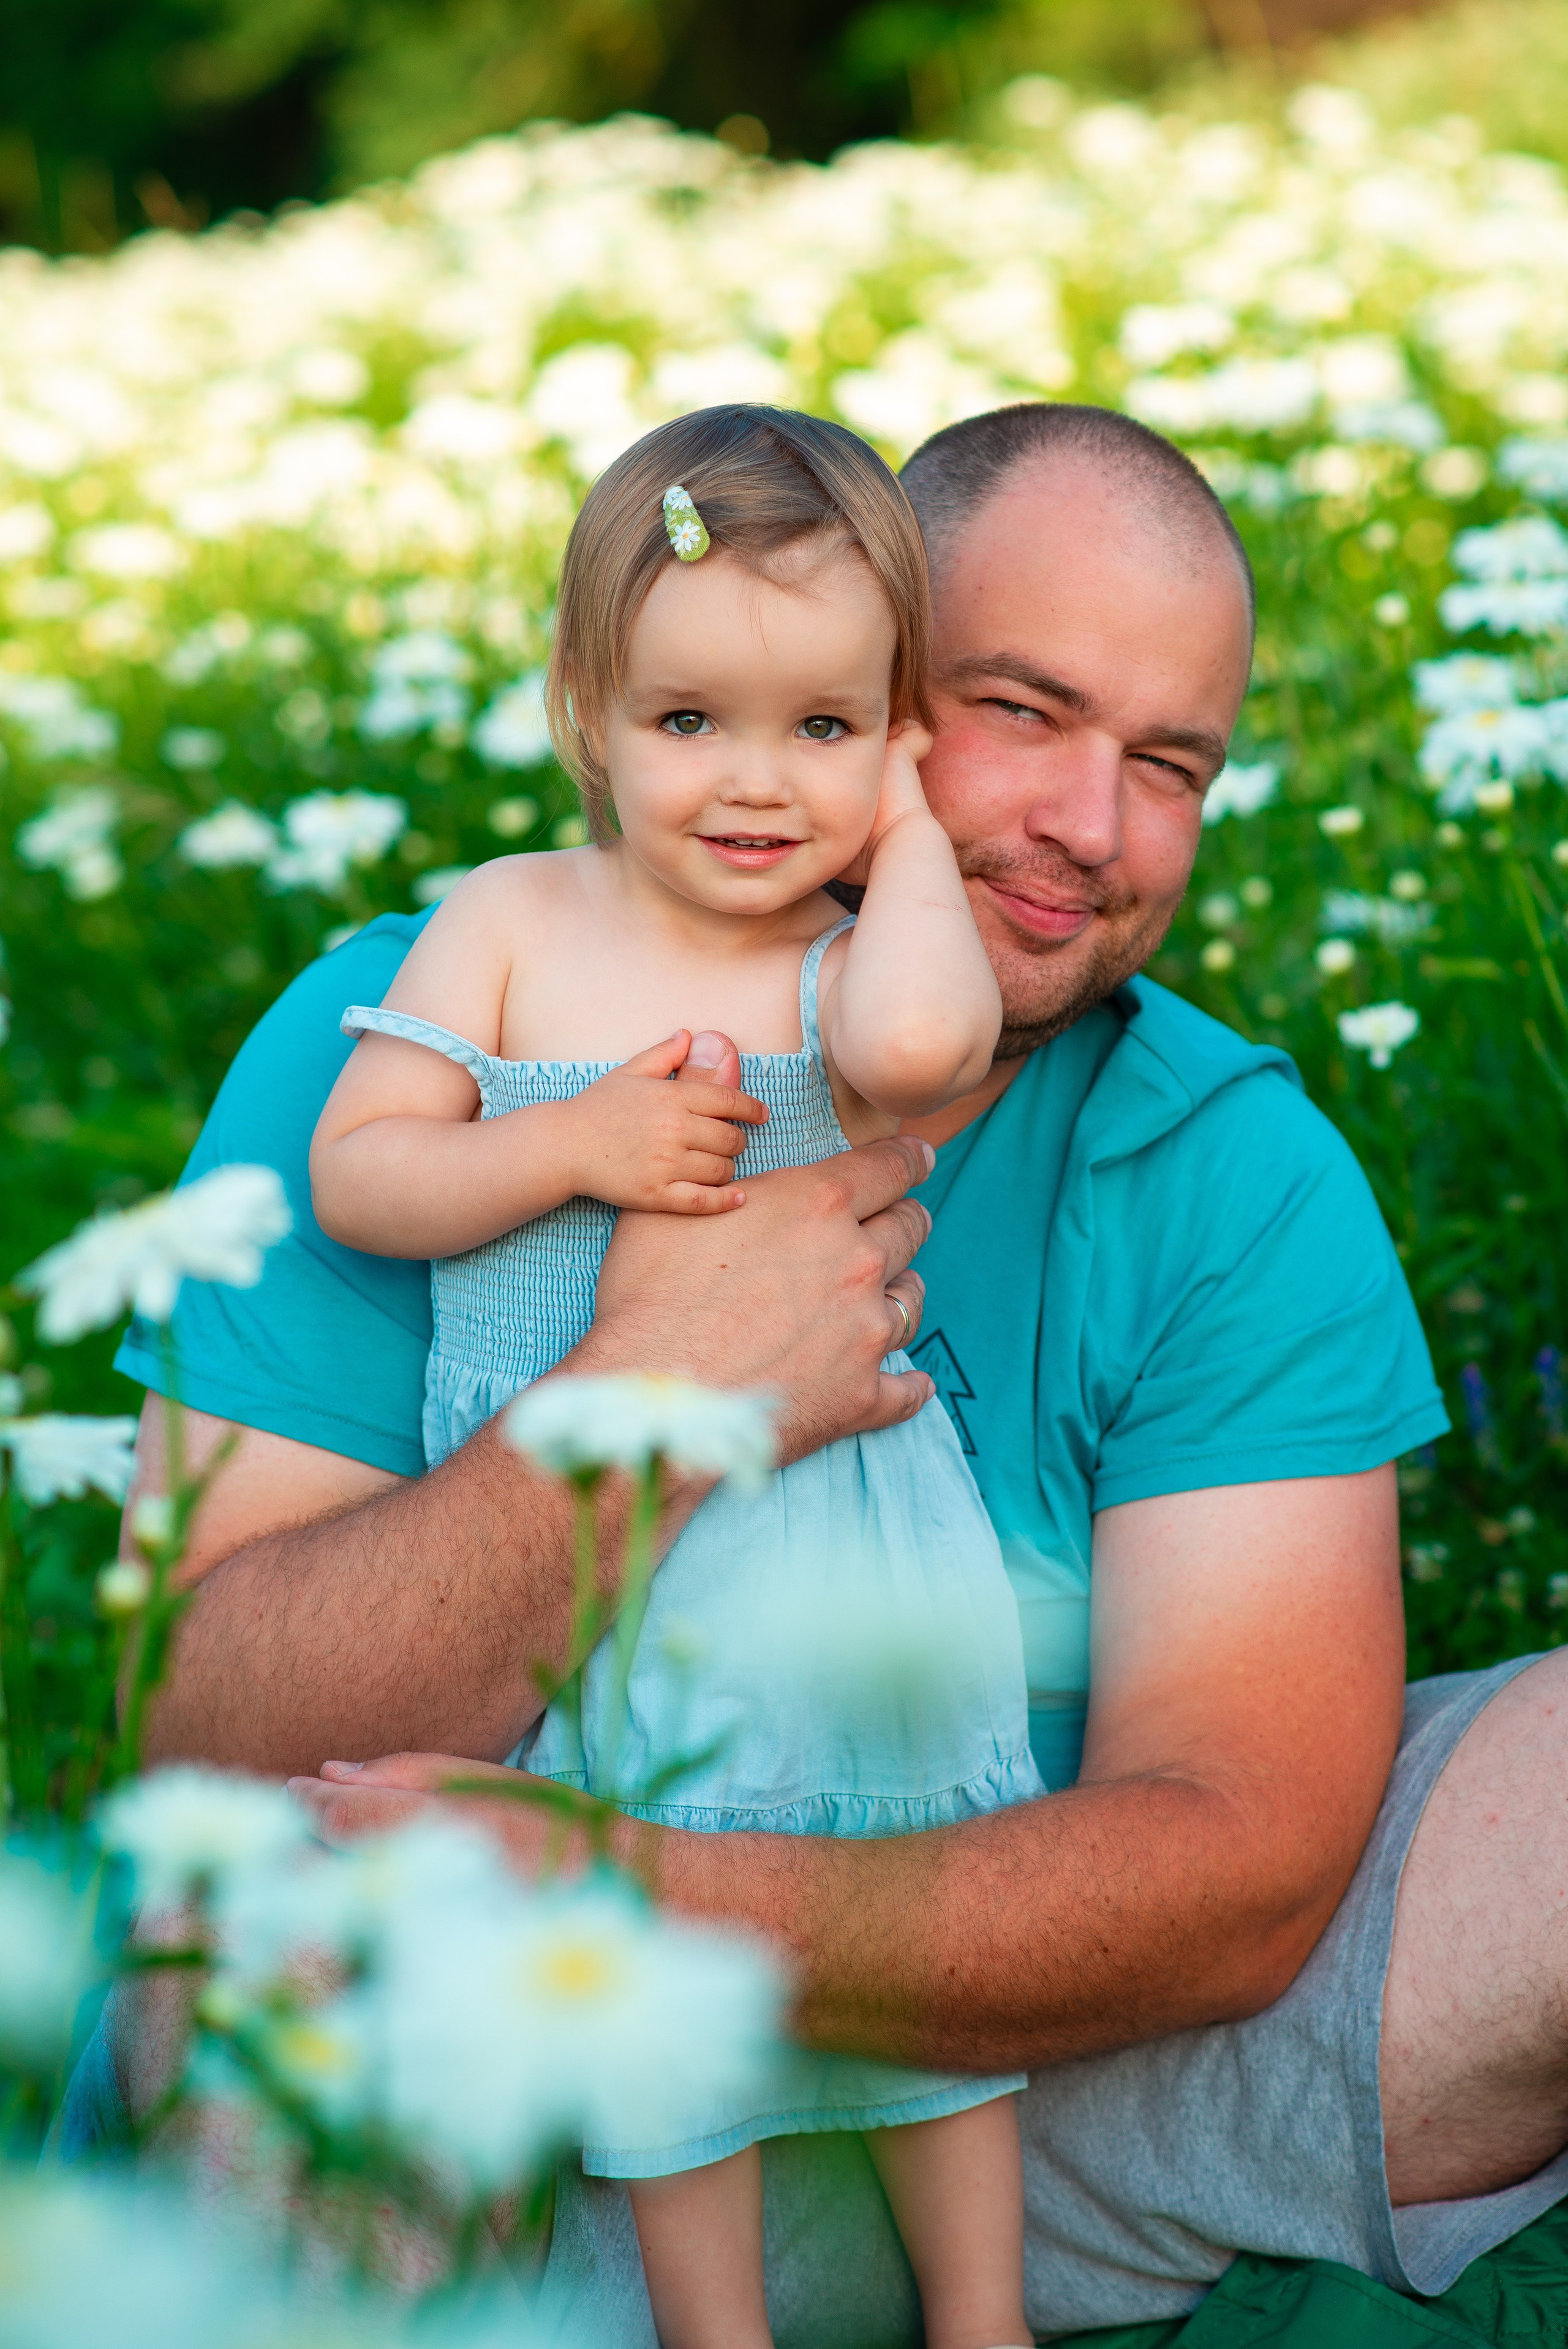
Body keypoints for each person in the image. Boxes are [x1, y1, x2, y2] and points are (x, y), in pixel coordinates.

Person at [93, 401, 1568, 2342]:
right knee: (278, 1932)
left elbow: (1240, 1862)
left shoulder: (1230, 1168)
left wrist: (647, 1889)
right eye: (1022, 710)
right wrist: (648, 1399)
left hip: (1050, 2073)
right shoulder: (454, 1029)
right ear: (856, 669)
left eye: (1169, 764)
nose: (1092, 825)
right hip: (536, 2105)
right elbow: (204, 1732)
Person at [309, 403, 1042, 2349]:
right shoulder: (508, 925)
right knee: (632, 1929)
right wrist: (565, 1143)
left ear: (895, 737)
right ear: (588, 707)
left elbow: (922, 1048)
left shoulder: (846, 958)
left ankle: (985, 2313)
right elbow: (363, 1169)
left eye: (827, 726)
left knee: (893, 1899)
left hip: (828, 1537)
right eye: (691, 718)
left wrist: (912, 833)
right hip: (586, 1549)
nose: (755, 782)